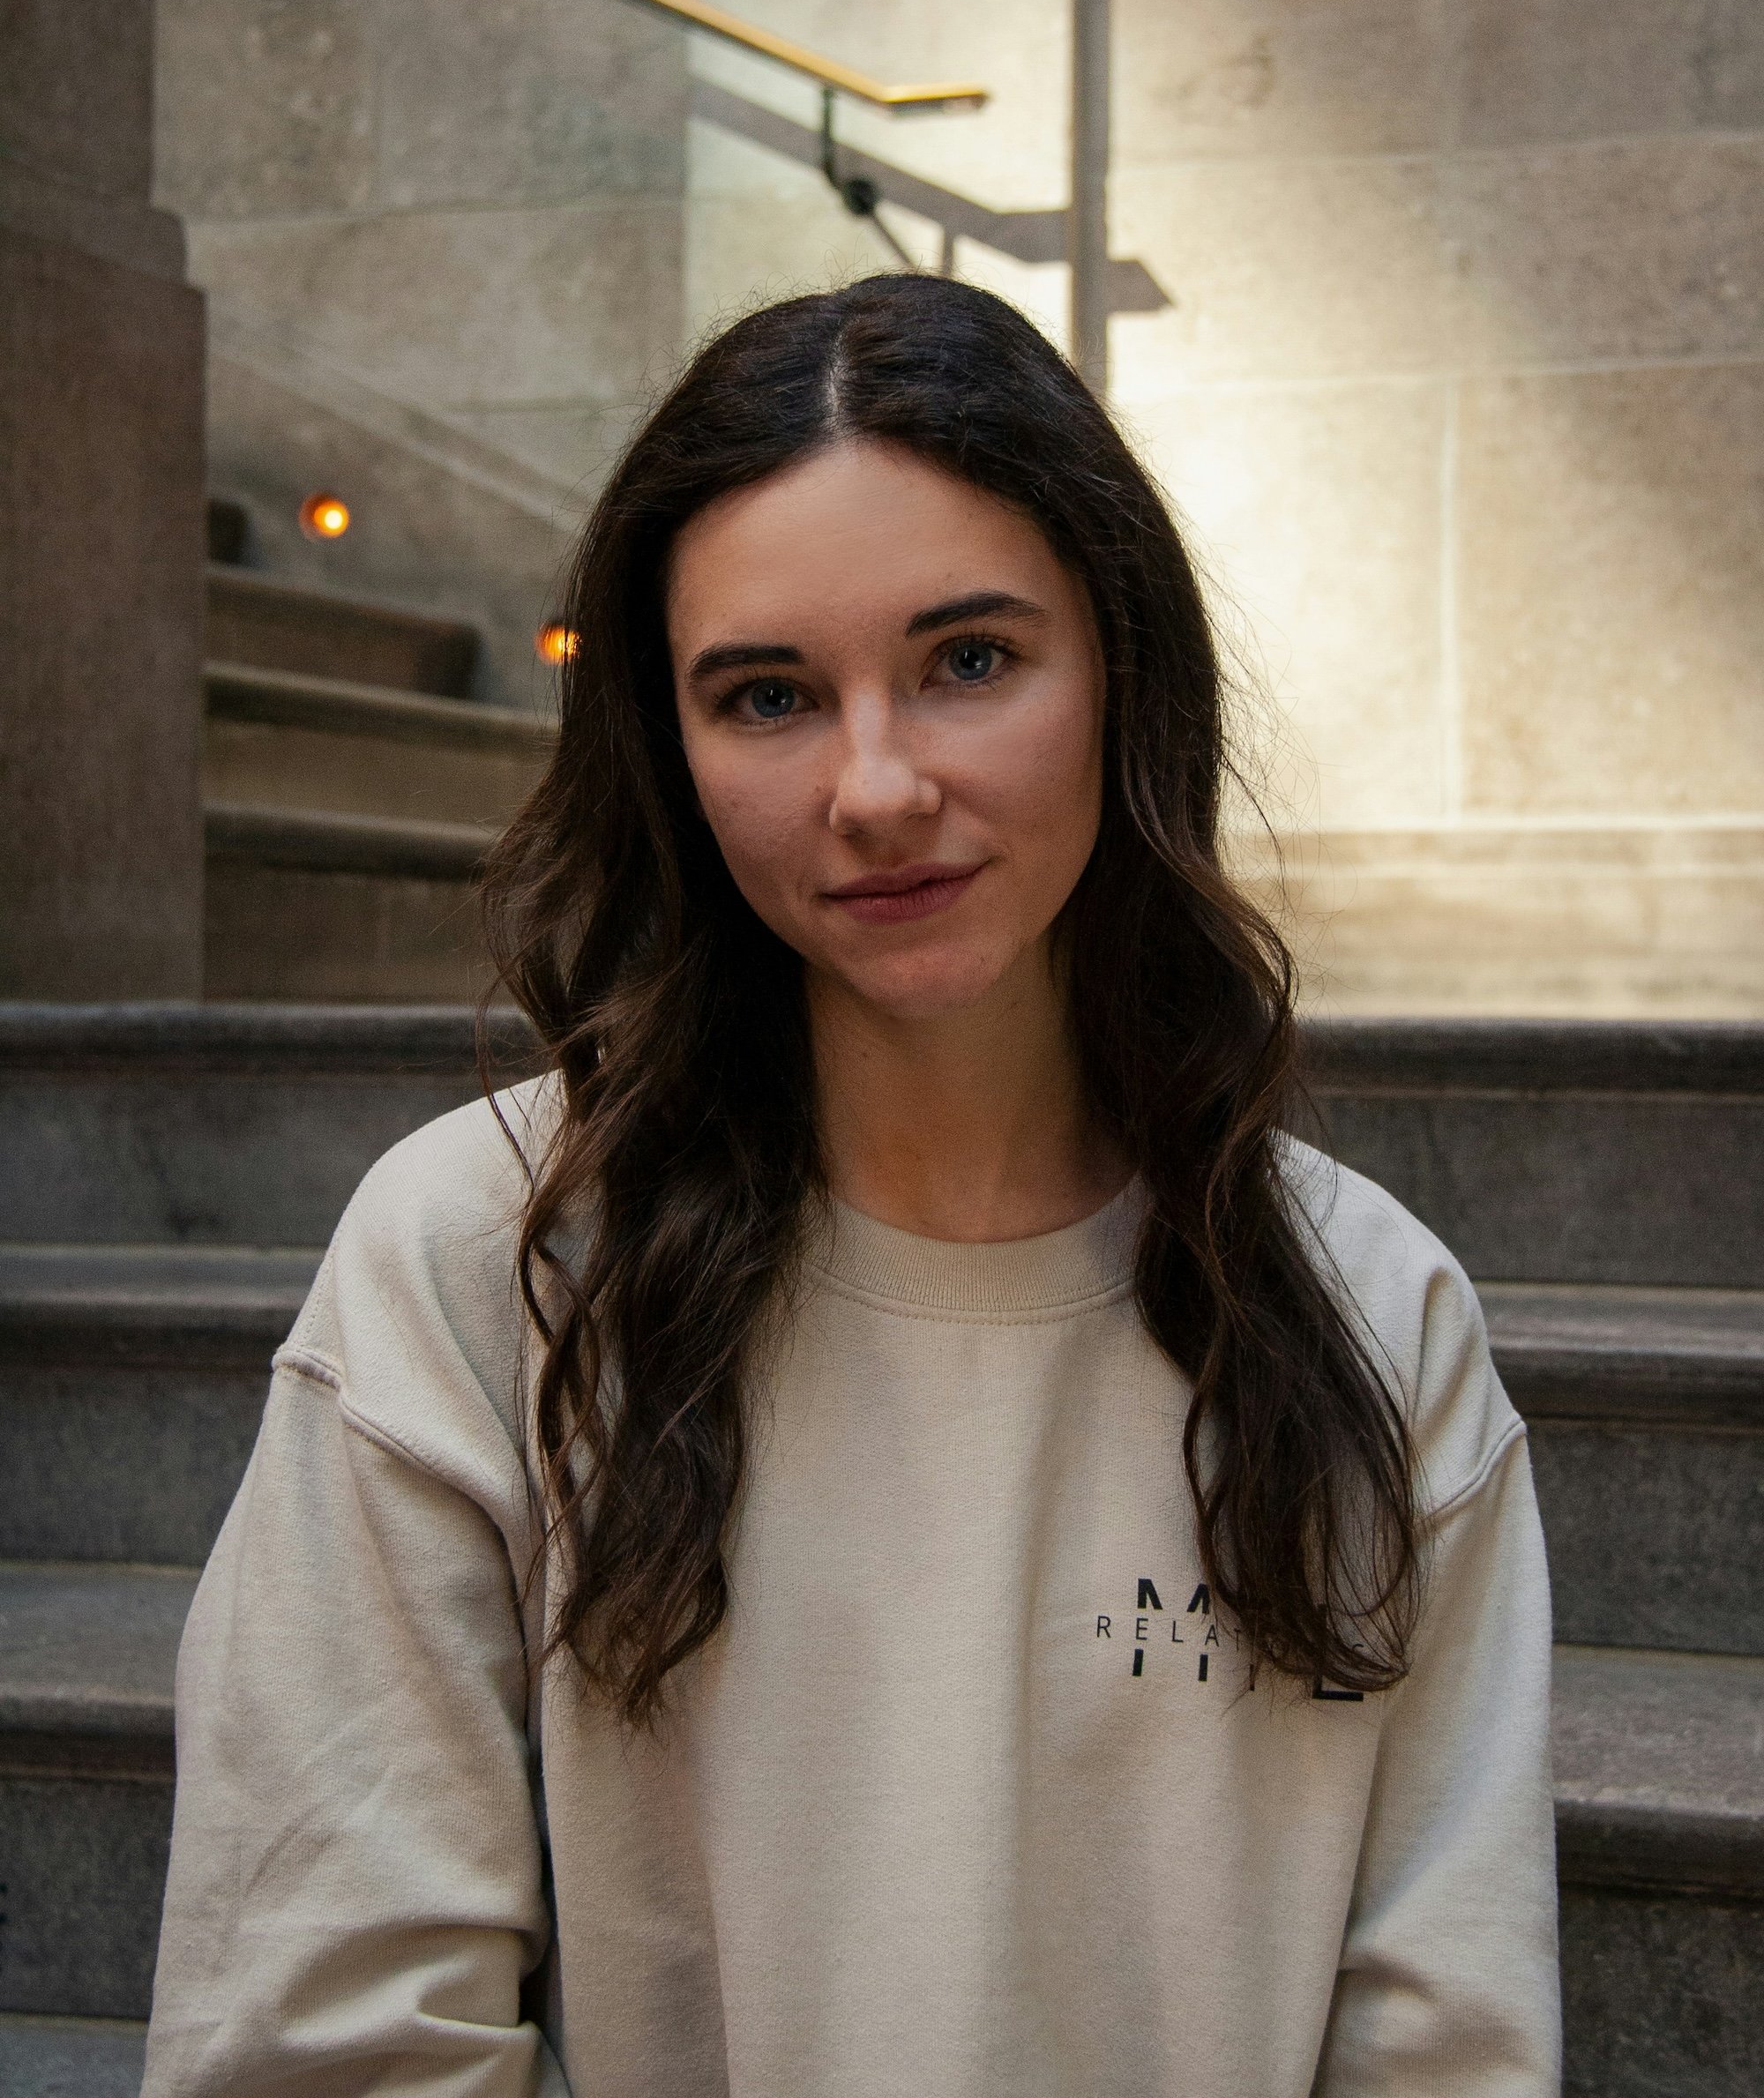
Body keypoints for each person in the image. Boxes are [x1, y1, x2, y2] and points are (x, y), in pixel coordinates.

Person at [143, 276, 1559, 2097]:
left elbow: (1444, 2045)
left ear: (1121, 674)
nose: (876, 788)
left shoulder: (1373, 1310)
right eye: (769, 697)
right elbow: (324, 2035)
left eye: (969, 661)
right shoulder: (481, 1261)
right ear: (672, 751)